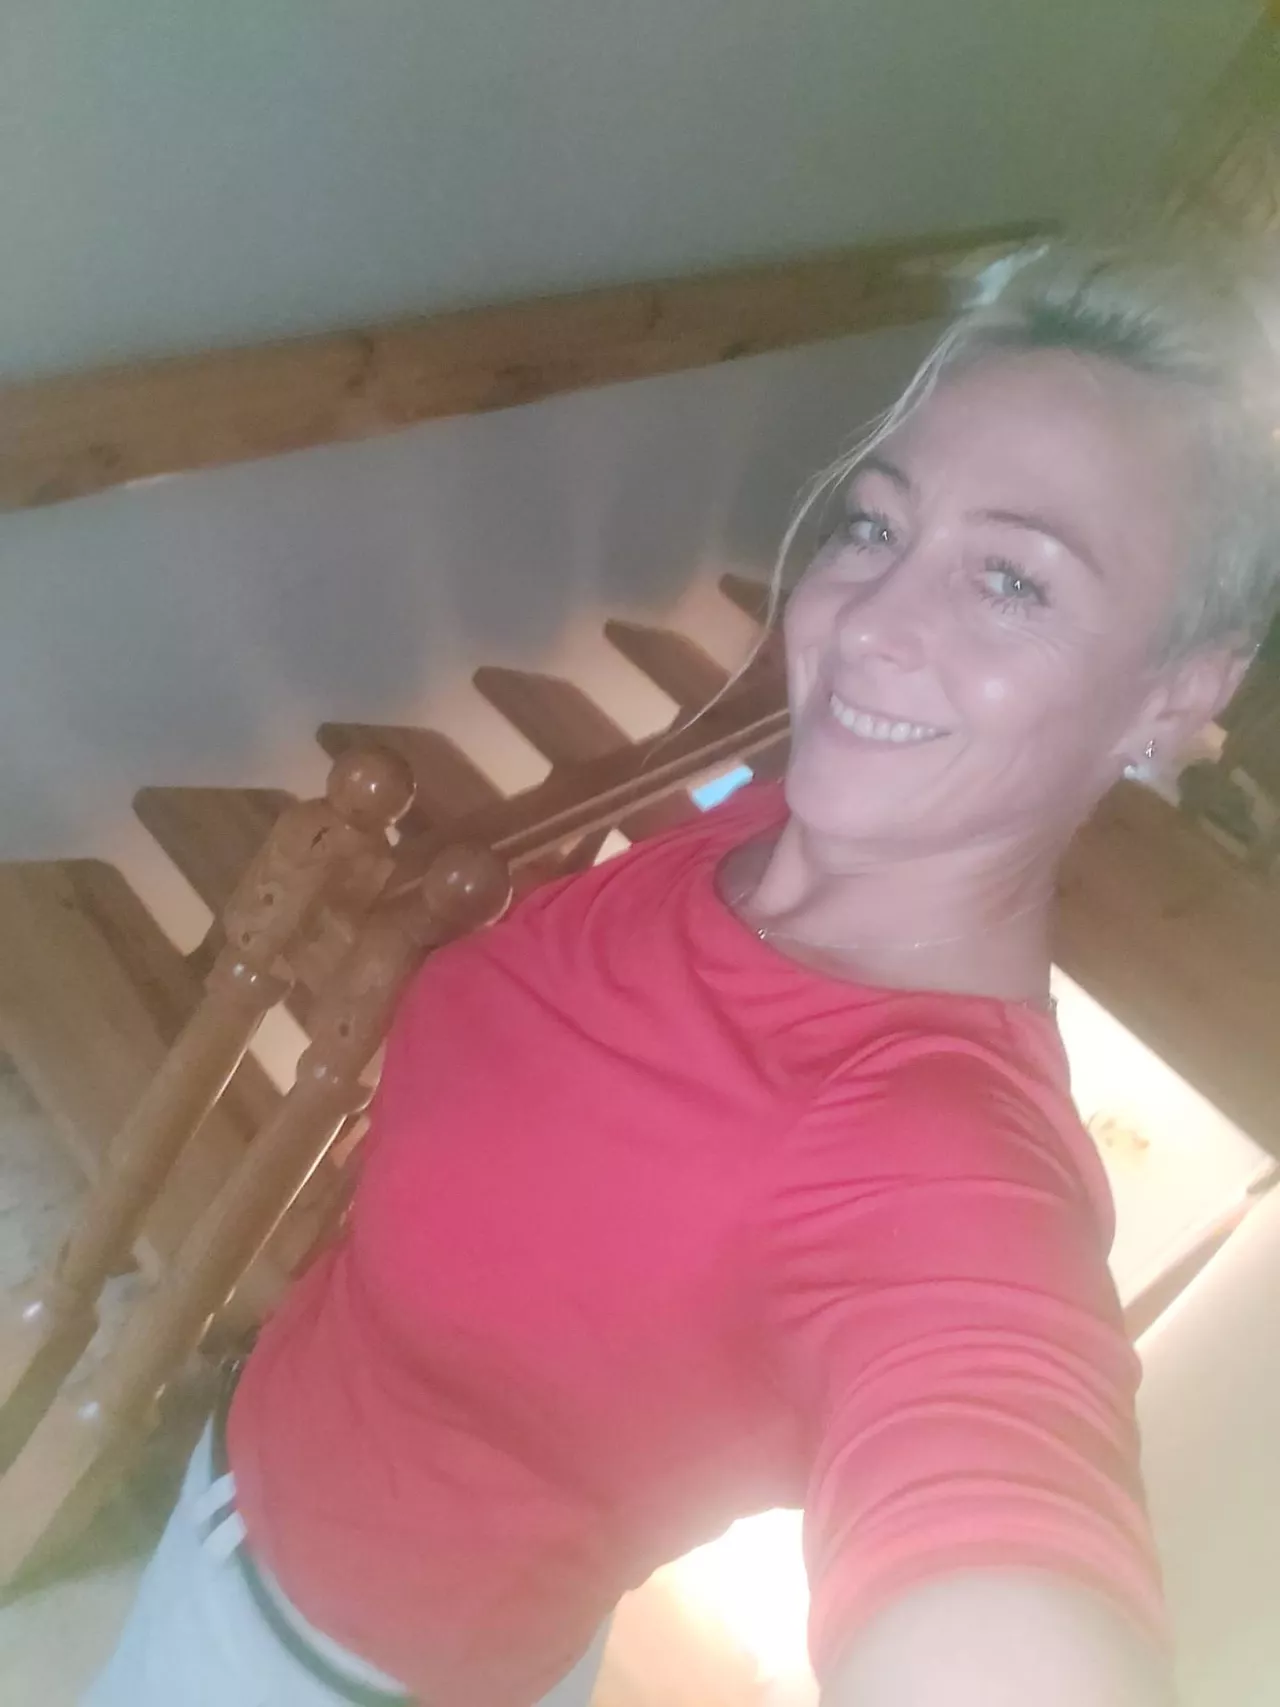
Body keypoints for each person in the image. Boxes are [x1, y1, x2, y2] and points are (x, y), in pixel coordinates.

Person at [86, 239, 1280, 1707]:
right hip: (251, 1499)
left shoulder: (931, 1155)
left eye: (1013, 581)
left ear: (1180, 690)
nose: (867, 624)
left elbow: (998, 1487)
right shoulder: (782, 827)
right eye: (876, 525)